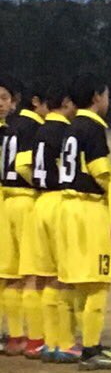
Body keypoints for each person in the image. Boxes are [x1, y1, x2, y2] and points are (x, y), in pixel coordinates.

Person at [57, 73, 111, 370]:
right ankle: (92, 349)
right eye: (106, 95)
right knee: (97, 282)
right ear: (97, 97)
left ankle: (87, 341)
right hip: (88, 209)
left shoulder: (71, 127)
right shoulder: (93, 128)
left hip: (66, 206)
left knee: (80, 282)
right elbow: (101, 173)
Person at [30, 82, 78, 360]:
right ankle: (65, 342)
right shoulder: (66, 132)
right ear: (68, 102)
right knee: (64, 277)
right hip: (61, 202)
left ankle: (49, 341)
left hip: (40, 201)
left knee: (45, 276)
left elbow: (25, 165)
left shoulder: (40, 130)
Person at [0, 75, 41, 354]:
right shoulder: (28, 129)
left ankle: (16, 336)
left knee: (9, 273)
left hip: (6, 201)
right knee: (29, 273)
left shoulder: (9, 131)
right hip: (23, 201)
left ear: (15, 101)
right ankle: (34, 338)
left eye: (3, 98)